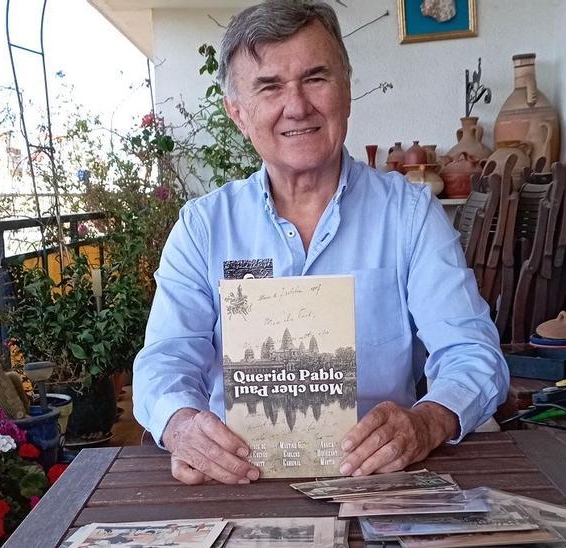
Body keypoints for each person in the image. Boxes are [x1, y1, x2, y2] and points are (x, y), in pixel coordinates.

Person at [133, 0, 508, 485]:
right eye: (270, 87)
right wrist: (182, 425)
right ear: (238, 113)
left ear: (346, 93)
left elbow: (470, 350)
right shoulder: (204, 228)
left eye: (316, 78)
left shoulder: (409, 214)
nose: (297, 106)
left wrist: (428, 421)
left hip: (379, 479)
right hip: (239, 479)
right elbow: (166, 357)